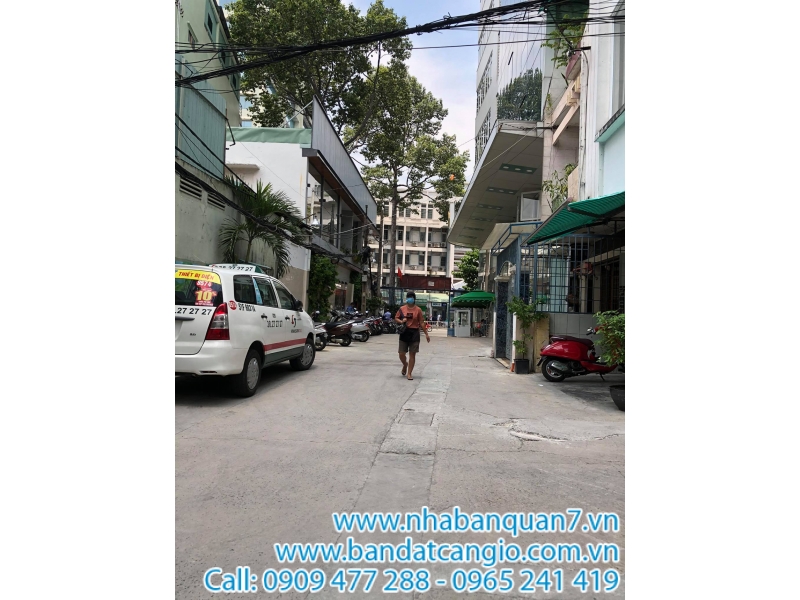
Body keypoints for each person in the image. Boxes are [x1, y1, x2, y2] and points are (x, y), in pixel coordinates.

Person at [395, 292, 430, 380]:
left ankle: (409, 373)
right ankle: (405, 364)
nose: (410, 299)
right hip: (404, 332)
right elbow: (396, 318)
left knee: (412, 354)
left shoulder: (418, 310)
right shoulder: (402, 309)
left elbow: (421, 322)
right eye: (408, 297)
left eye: (411, 297)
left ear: (414, 299)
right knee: (401, 353)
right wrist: (401, 321)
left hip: (414, 333)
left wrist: (426, 334)